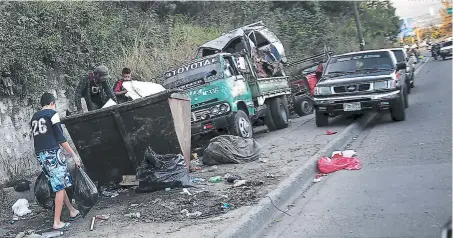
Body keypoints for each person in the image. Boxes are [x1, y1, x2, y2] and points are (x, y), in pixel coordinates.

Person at [31, 93, 82, 230]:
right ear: (52, 103)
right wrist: (73, 155)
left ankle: (71, 210)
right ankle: (57, 222)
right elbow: (61, 138)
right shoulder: (52, 113)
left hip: (41, 155)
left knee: (59, 182)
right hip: (52, 153)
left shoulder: (35, 117)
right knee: (59, 187)